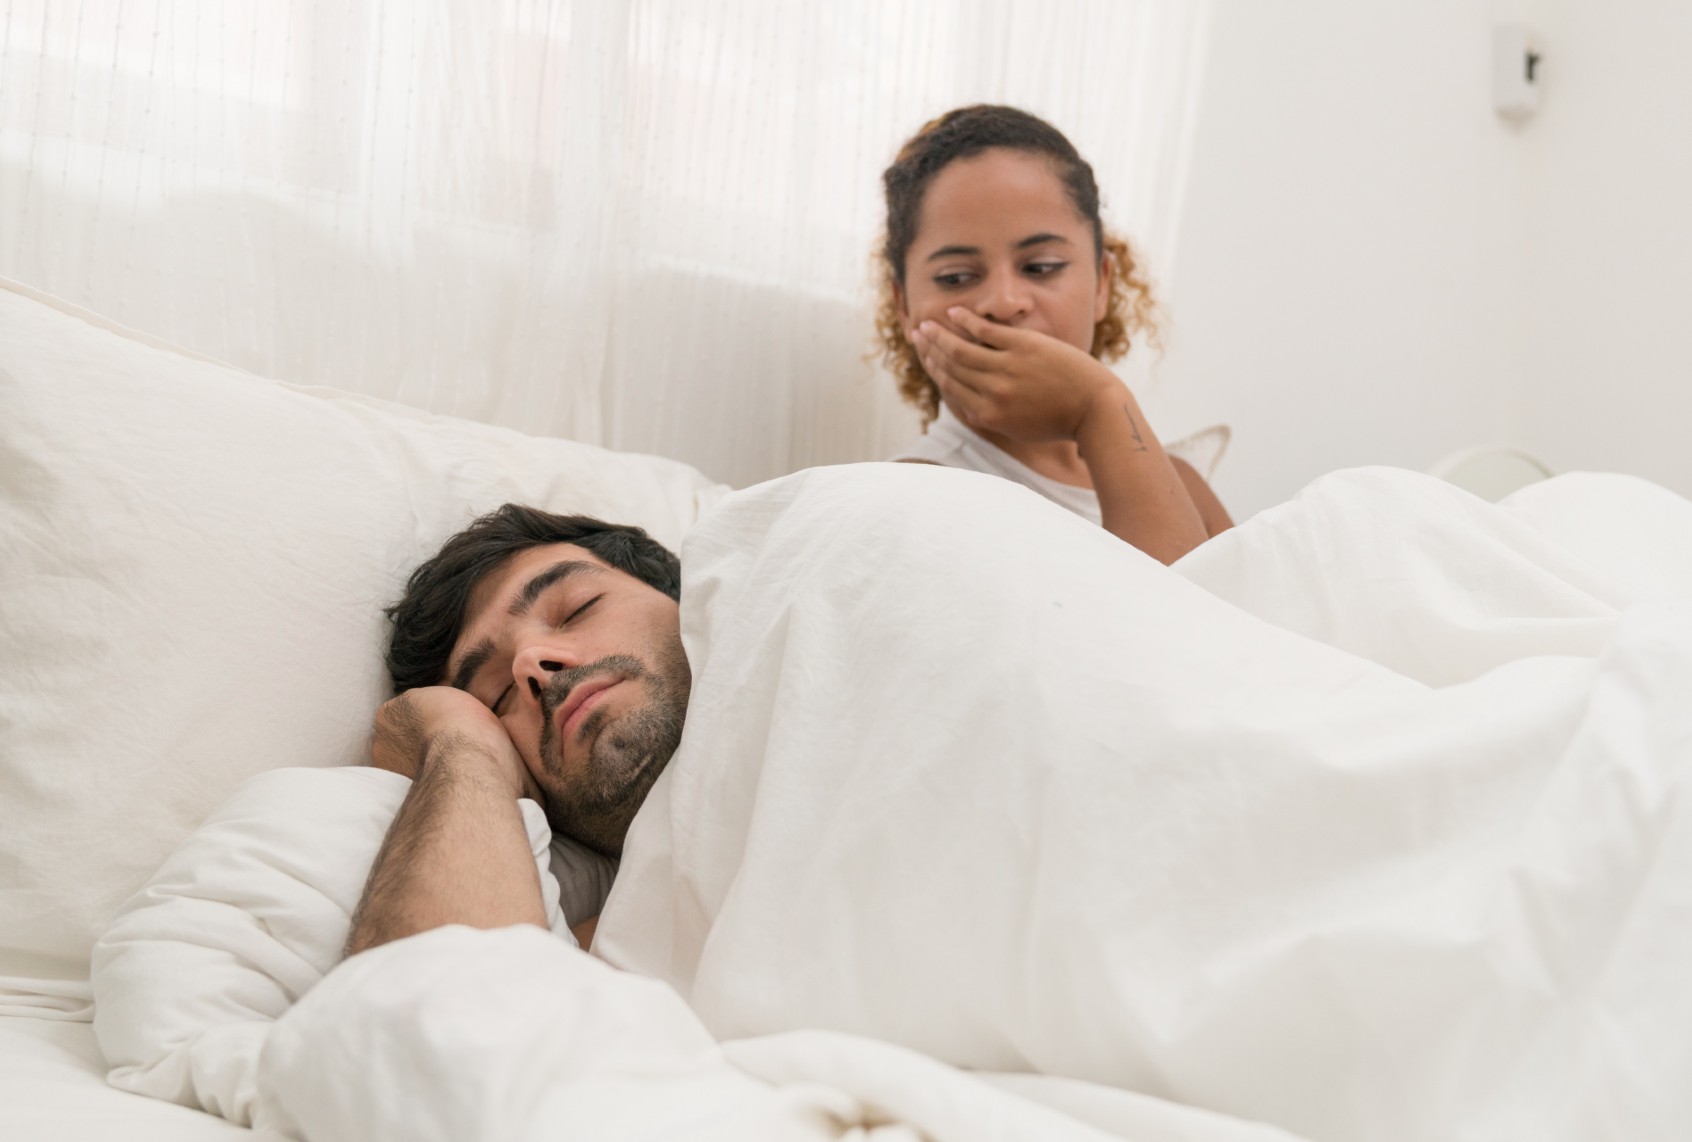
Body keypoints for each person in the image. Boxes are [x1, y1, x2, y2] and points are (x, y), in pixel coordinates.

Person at [875, 104, 1232, 563]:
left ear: (1102, 284)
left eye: (1040, 267)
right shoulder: (914, 495)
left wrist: (1100, 408)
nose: (1004, 302)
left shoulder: (1181, 486)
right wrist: (1097, 405)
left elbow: (1221, 632)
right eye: (956, 277)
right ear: (904, 306)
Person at [347, 504, 691, 957]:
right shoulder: (629, 958)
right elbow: (444, 1003)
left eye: (577, 609)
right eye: (498, 695)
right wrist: (459, 738)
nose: (530, 661)